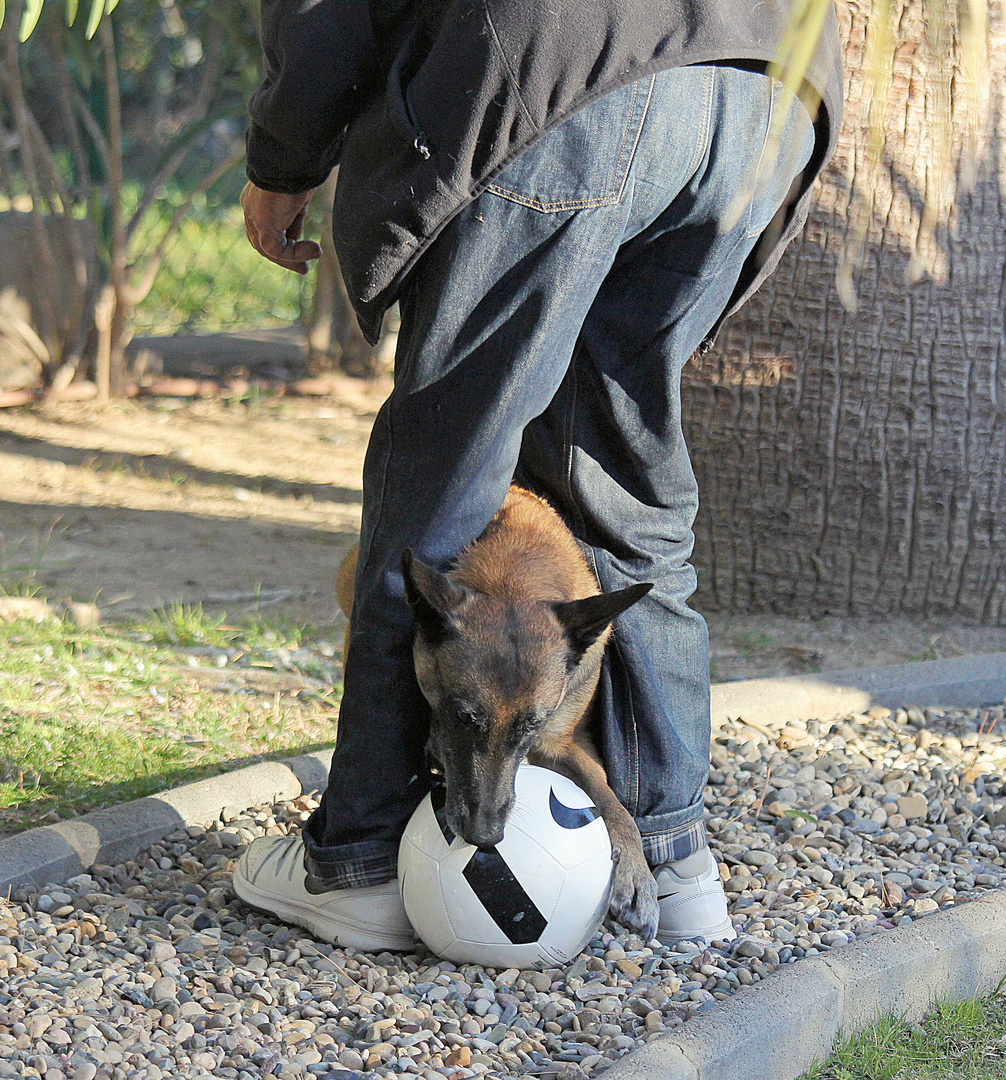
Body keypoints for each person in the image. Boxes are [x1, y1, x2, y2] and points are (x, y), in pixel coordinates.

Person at [232, 0, 842, 951]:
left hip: (568, 75)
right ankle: (674, 862)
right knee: (623, 491)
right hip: (764, 83)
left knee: (436, 496)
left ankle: (352, 866)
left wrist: (283, 158)